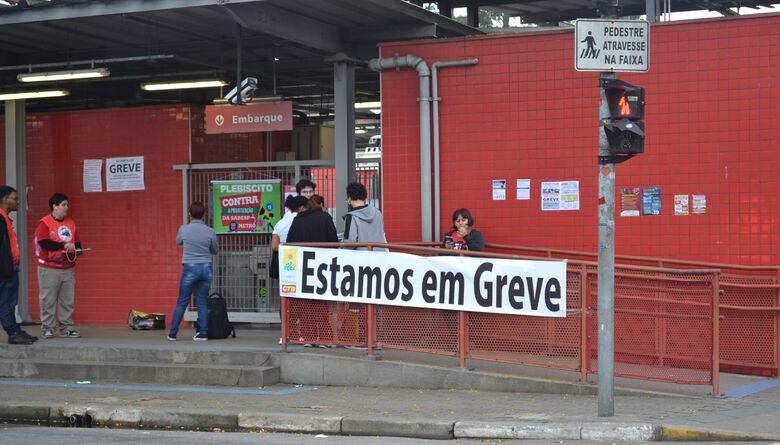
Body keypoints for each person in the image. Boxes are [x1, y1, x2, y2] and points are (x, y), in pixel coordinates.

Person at [168, 202, 219, 341]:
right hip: (206, 268)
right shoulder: (210, 231)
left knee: (182, 301)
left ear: (189, 213)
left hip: (190, 268)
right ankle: (203, 333)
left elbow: (178, 241)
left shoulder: (183, 229)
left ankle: (172, 333)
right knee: (202, 301)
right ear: (204, 214)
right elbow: (215, 250)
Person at [35, 193, 82, 339]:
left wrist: (78, 250)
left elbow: (77, 242)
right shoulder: (45, 222)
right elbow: (43, 242)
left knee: (67, 301)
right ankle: (47, 328)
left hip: (67, 267)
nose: (67, 208)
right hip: (49, 268)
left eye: (67, 205)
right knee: (48, 299)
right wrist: (63, 245)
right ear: (54, 206)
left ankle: (66, 328)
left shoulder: (71, 223)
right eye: (63, 205)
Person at [0, 186, 37, 345]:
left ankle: (14, 330)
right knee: (6, 303)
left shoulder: (5, 219)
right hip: (5, 271)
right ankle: (13, 332)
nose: (18, 202)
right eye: (14, 199)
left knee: (9, 302)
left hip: (9, 268)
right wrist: (7, 270)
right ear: (4, 200)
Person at [343, 182, 386, 249]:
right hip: (380, 255)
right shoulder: (377, 213)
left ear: (349, 198)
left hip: (362, 257)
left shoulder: (351, 217)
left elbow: (349, 243)